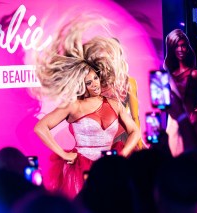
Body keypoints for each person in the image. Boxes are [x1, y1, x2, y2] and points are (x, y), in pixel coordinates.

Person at [33, 15, 141, 198]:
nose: (95, 84)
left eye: (96, 78)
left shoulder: (114, 104)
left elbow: (135, 131)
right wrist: (64, 154)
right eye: (89, 82)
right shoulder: (73, 106)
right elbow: (40, 127)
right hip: (80, 171)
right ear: (81, 85)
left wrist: (123, 155)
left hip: (109, 169)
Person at [163, 29, 197, 156]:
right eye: (177, 46)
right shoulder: (167, 74)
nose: (181, 49)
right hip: (172, 123)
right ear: (171, 48)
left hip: (190, 121)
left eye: (183, 45)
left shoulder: (193, 74)